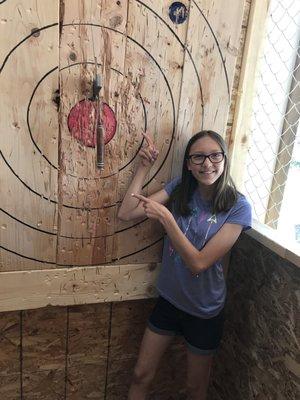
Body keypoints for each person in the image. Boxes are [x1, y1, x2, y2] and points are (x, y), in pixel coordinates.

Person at [118, 130, 252, 400]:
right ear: (188, 164)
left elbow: (199, 263)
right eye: (199, 157)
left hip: (204, 312)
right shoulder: (181, 188)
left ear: (225, 159)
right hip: (169, 301)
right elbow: (126, 213)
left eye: (215, 155)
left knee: (194, 390)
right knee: (140, 376)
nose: (207, 164)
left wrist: (167, 219)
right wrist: (144, 167)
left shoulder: (238, 207)